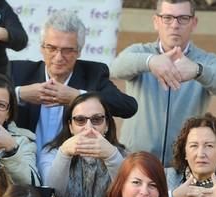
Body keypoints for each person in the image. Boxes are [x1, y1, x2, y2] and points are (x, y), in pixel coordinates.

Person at [10, 9, 137, 175]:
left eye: (67, 50)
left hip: (74, 174)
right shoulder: (18, 72)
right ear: (42, 48)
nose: (58, 56)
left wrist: (79, 97)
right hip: (24, 171)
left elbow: (128, 106)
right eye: (52, 48)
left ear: (79, 51)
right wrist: (18, 93)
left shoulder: (94, 73)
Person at [110, 0, 216, 165]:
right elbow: (115, 68)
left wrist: (198, 71)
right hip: (137, 160)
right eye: (167, 18)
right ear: (156, 21)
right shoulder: (140, 52)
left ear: (194, 22)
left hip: (183, 163)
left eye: (183, 18)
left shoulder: (205, 60)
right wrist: (150, 62)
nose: (175, 25)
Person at [43, 92, 126, 197]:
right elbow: (52, 193)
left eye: (96, 120)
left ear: (107, 124)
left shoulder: (122, 156)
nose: (89, 128)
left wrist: (111, 156)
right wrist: (64, 154)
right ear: (70, 126)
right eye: (80, 120)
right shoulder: (52, 153)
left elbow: (128, 194)